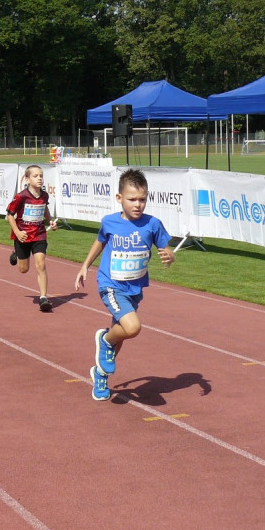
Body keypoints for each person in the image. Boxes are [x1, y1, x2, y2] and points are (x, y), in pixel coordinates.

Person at [74, 168, 175, 401]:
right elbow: (99, 242)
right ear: (119, 198)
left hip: (134, 289)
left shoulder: (153, 224)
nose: (137, 204)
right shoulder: (109, 222)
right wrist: (84, 266)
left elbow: (166, 248)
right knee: (131, 328)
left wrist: (170, 256)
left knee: (118, 338)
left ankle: (100, 375)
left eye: (142, 199)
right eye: (132, 199)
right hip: (110, 284)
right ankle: (103, 339)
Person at [6, 165, 58, 312]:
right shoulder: (21, 196)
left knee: (41, 264)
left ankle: (43, 297)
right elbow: (10, 214)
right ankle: (16, 251)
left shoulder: (44, 195)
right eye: (36, 176)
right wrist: (17, 232)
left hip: (39, 234)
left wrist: (51, 221)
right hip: (23, 236)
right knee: (23, 269)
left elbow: (45, 208)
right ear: (27, 179)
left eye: (41, 176)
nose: (40, 178)